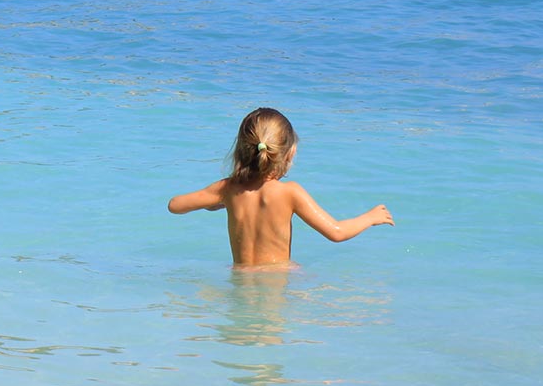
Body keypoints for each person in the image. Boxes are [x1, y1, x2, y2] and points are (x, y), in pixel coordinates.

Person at [167, 107, 393, 269]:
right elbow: (337, 232)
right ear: (290, 153)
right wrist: (370, 217)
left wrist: (215, 202)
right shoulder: (290, 192)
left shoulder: (228, 189)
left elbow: (175, 206)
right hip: (276, 281)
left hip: (240, 279)